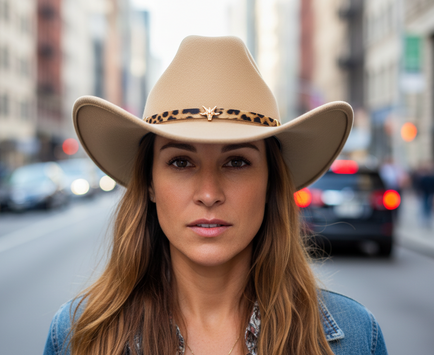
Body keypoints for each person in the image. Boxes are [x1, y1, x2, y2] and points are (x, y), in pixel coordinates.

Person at [43, 36, 387, 355]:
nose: (208, 194)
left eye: (236, 162)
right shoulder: (75, 337)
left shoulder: (356, 339)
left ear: (271, 182)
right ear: (149, 183)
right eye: (181, 162)